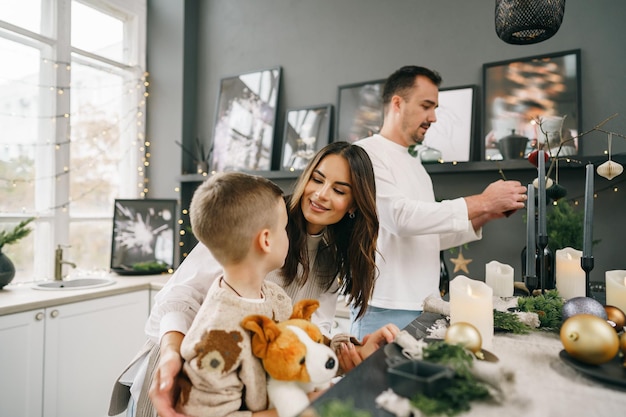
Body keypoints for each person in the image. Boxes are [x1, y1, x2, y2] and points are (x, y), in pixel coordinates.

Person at [108, 142, 399, 417]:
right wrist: (173, 354)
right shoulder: (257, 216)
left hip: (239, 387)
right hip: (185, 373)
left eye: (339, 189)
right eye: (317, 179)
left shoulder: (331, 256)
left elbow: (303, 329)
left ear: (353, 205)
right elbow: (179, 297)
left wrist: (349, 351)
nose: (321, 194)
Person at [352, 65, 528, 339]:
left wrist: (485, 214)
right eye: (426, 106)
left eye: (435, 108)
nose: (433, 117)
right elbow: (400, 219)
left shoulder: (417, 166)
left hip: (426, 306)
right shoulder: (365, 153)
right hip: (382, 307)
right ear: (397, 103)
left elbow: (428, 236)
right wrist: (482, 201)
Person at [177, 171, 293, 416]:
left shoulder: (275, 297)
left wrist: (350, 351)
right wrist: (300, 408)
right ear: (266, 240)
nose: (287, 234)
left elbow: (300, 348)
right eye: (284, 227)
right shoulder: (217, 336)